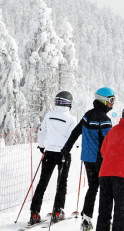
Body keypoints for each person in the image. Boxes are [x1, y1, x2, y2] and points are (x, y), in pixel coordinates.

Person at [62, 87, 116, 230]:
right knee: (106, 190)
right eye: (111, 100)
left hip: (87, 159)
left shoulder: (88, 115)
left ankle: (86, 219)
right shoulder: (105, 120)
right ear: (103, 101)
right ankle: (104, 221)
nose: (113, 104)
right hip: (101, 161)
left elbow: (75, 132)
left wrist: (66, 148)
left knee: (93, 187)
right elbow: (109, 143)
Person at [29, 91, 78, 225]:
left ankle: (34, 213)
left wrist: (41, 147)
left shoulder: (49, 115)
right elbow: (74, 138)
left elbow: (41, 132)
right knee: (62, 182)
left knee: (42, 182)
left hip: (49, 152)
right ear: (69, 103)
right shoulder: (71, 119)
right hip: (64, 154)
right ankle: (58, 211)